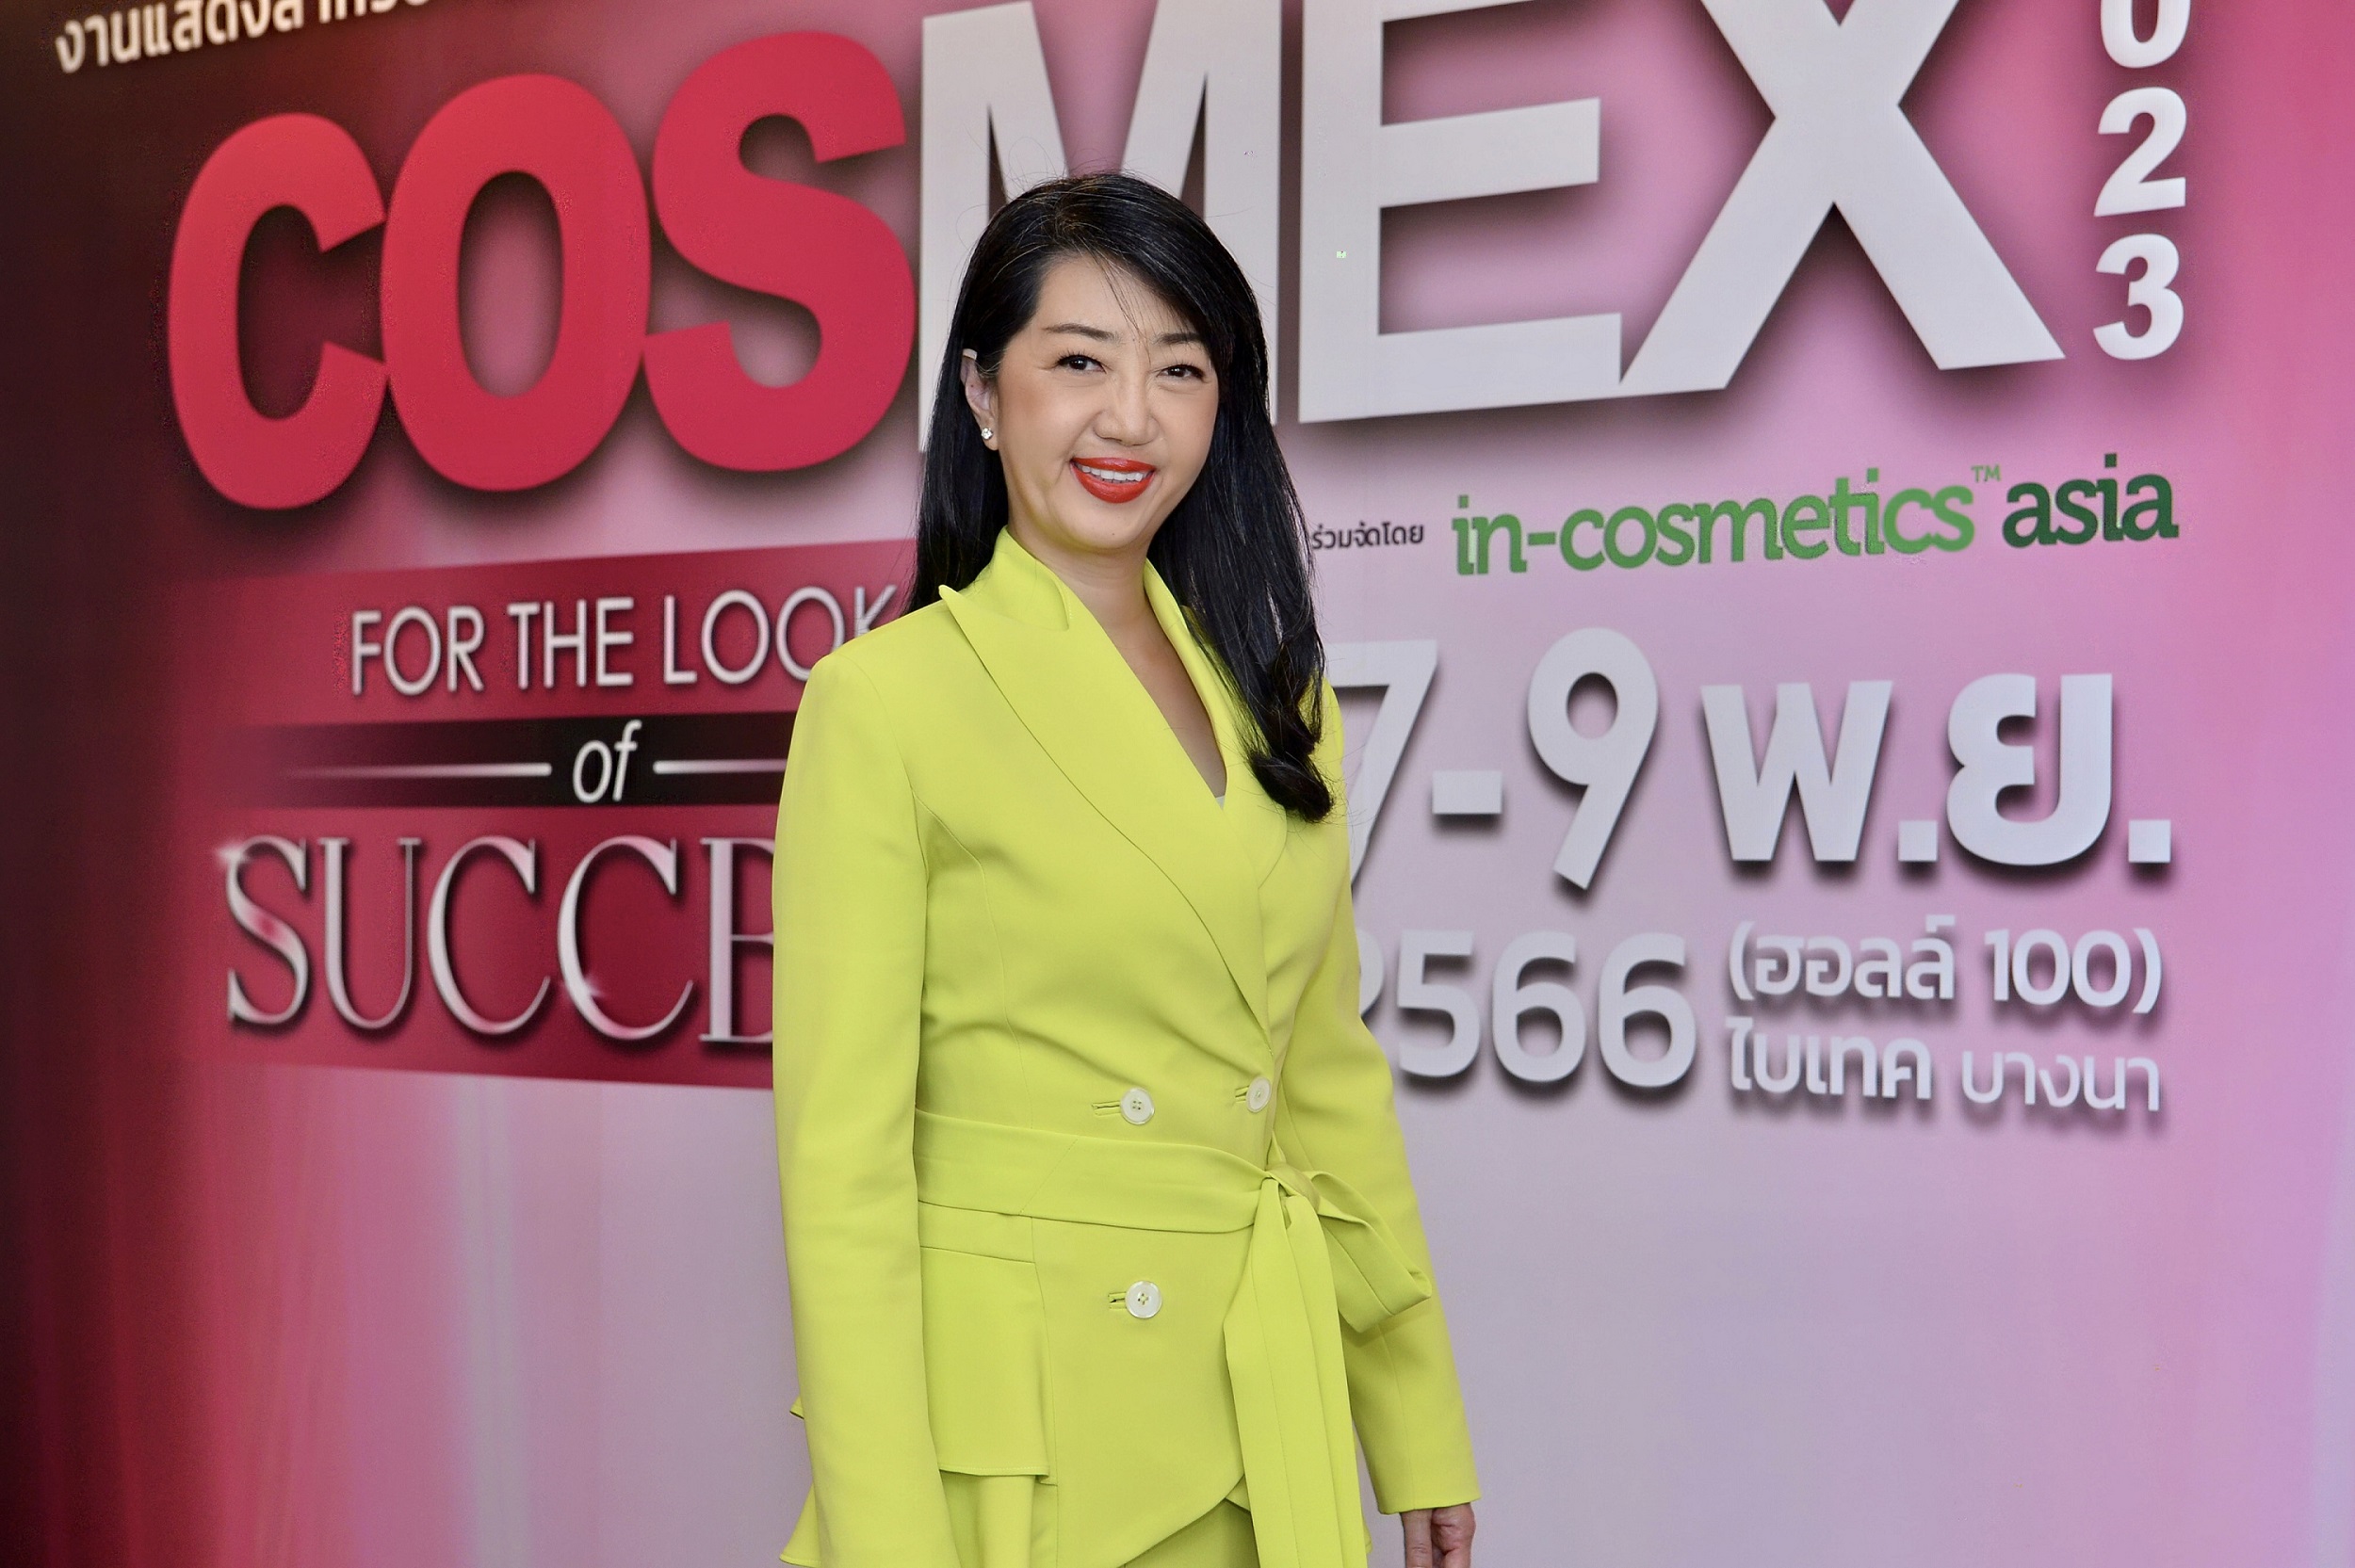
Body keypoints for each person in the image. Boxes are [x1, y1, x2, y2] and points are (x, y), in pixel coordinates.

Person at [771, 172, 1478, 1568]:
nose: (1131, 418)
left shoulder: (1280, 699)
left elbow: (1325, 1085)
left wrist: (1414, 1423)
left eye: (1180, 369)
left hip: (1264, 1424)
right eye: (1081, 362)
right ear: (985, 392)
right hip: (1028, 1464)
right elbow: (842, 1181)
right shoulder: (887, 700)